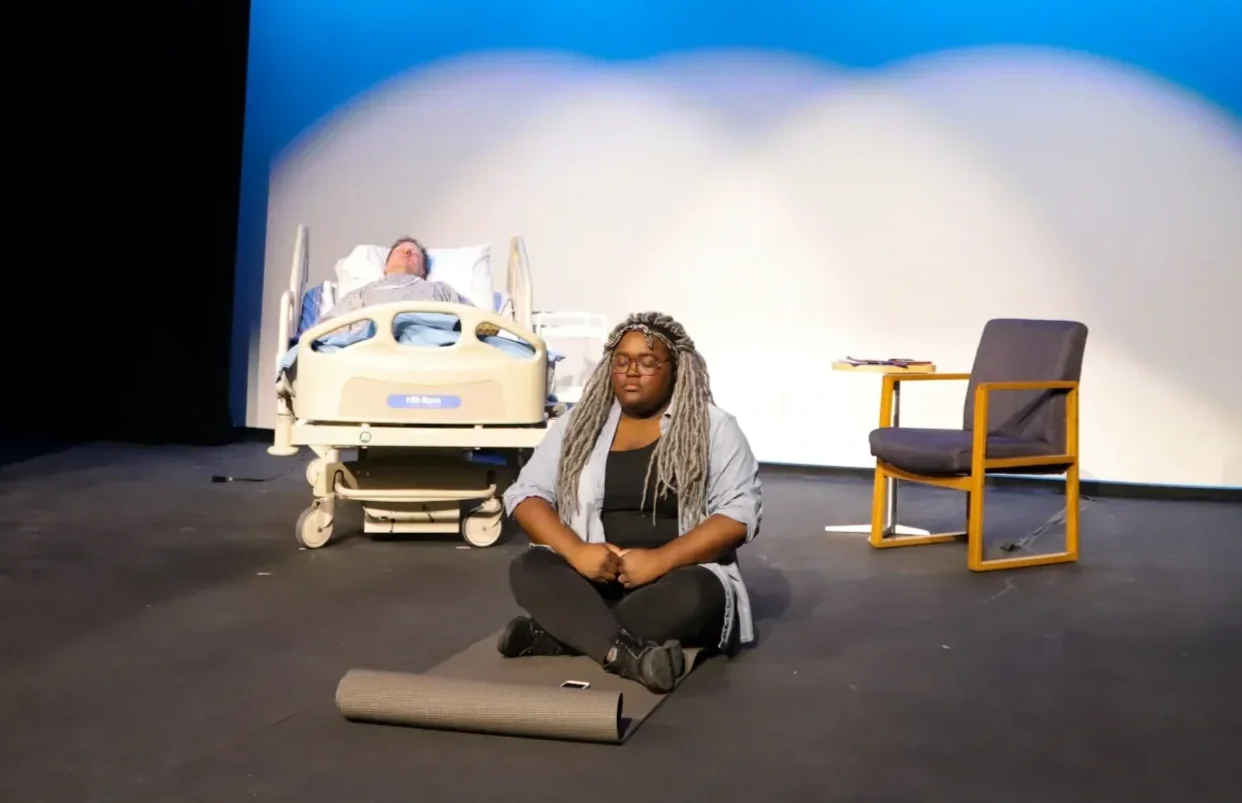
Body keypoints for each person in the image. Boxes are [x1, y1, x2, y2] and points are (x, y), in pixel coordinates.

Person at [499, 311, 763, 693]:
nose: (631, 371)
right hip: (597, 576)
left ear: (676, 368)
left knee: (697, 594)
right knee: (530, 566)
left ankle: (564, 634)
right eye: (621, 361)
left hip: (675, 576)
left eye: (647, 361)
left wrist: (660, 560)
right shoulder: (581, 423)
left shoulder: (714, 427)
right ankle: (628, 655)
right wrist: (576, 552)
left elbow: (739, 514)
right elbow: (526, 495)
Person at [318, 237, 479, 333]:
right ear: (385, 268)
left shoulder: (440, 289)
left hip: (431, 353)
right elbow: (327, 329)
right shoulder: (363, 293)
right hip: (370, 354)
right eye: (400, 251)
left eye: (414, 253)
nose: (407, 252)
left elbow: (478, 321)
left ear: (423, 271)